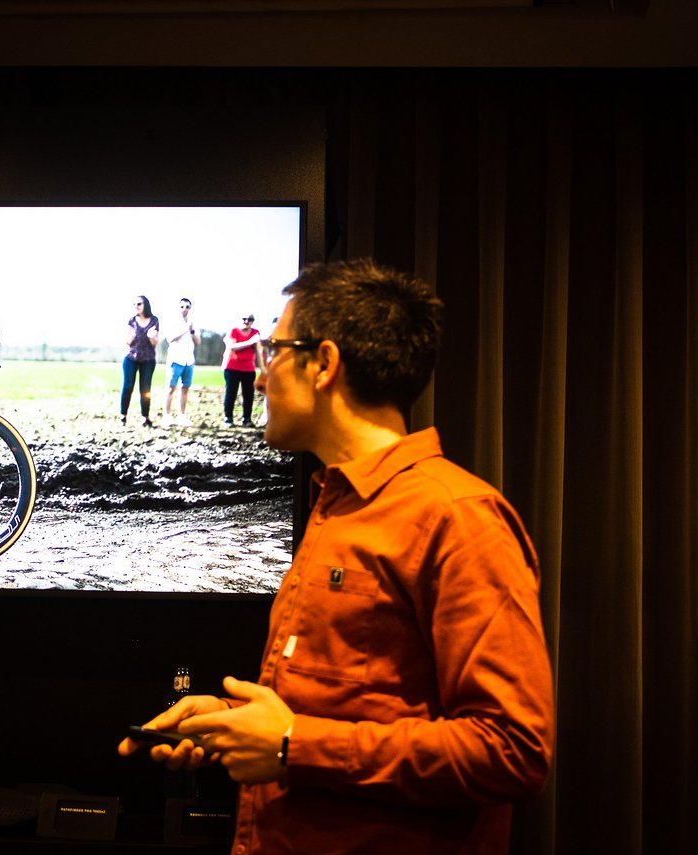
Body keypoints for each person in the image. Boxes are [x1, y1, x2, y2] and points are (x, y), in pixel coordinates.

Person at [119, 259, 555, 854]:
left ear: (323, 364)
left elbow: (513, 749)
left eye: (273, 352)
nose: (262, 377)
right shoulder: (337, 505)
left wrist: (291, 746)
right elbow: (357, 705)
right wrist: (231, 723)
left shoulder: (456, 517)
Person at [121, 295, 160, 427]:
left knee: (145, 389)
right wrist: (131, 336)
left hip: (148, 359)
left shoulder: (154, 320)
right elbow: (127, 342)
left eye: (139, 304)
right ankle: (123, 417)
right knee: (127, 387)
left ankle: (145, 418)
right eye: (135, 304)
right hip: (131, 358)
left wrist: (151, 337)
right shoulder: (132, 320)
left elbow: (155, 343)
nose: (136, 306)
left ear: (145, 305)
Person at [163, 297, 201, 426]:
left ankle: (181, 416)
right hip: (175, 360)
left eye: (187, 307)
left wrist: (192, 330)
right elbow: (170, 339)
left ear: (190, 309)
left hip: (189, 360)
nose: (184, 309)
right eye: (182, 306)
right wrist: (185, 328)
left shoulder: (193, 323)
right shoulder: (173, 322)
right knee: (170, 388)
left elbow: (198, 342)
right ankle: (167, 416)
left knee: (185, 389)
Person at [222, 313, 262, 427]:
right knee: (231, 393)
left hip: (249, 369)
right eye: (244, 319)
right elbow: (233, 347)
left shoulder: (255, 333)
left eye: (249, 319)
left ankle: (247, 418)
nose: (246, 321)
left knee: (249, 394)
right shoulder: (233, 331)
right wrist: (250, 342)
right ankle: (228, 418)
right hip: (232, 367)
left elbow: (258, 350)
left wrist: (262, 368)